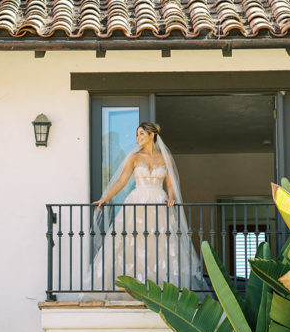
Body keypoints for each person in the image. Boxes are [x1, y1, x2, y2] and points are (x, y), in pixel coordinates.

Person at [85, 122, 202, 295]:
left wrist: (171, 198)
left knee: (162, 244)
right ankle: (132, 287)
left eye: (141, 134)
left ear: (151, 135)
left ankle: (161, 288)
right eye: (137, 135)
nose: (138, 138)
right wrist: (105, 198)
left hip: (159, 202)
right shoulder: (134, 157)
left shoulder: (165, 158)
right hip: (137, 201)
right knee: (132, 243)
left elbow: (171, 183)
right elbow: (121, 181)